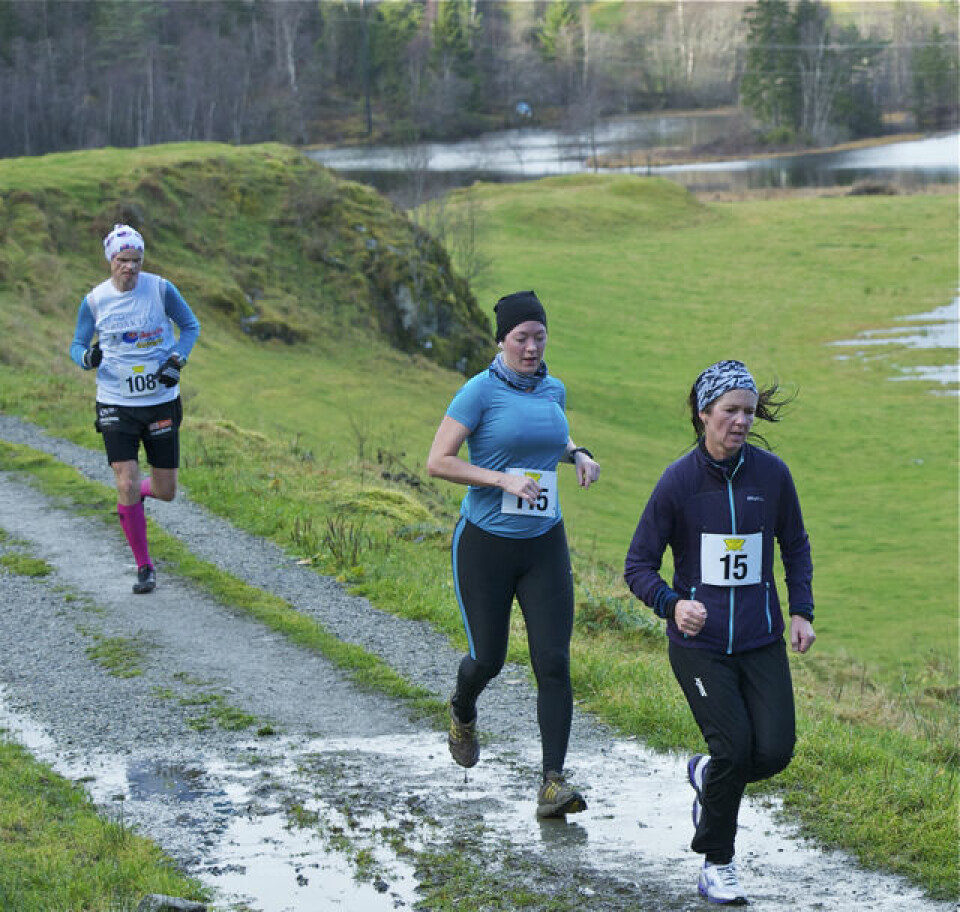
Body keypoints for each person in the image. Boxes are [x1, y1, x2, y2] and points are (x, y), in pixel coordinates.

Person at [623, 359, 816, 905]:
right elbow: (638, 565)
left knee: (773, 751)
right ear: (704, 413)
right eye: (730, 411)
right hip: (700, 648)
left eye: (748, 412)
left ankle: (710, 777)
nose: (741, 421)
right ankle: (717, 863)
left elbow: (795, 544)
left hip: (760, 639)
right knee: (733, 747)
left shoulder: (772, 476)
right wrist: (672, 605)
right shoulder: (678, 482)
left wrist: (801, 610)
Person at [426, 290, 600, 818]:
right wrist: (499, 478)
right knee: (489, 658)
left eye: (539, 338)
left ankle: (553, 783)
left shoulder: (553, 388)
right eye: (521, 338)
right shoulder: (478, 392)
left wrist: (578, 454)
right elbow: (438, 461)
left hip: (544, 542)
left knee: (554, 662)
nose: (531, 348)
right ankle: (462, 709)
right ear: (501, 340)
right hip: (486, 544)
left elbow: (548, 437)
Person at [69, 224, 200, 595]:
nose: (130, 267)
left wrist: (177, 359)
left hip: (160, 401)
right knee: (124, 480)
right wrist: (87, 357)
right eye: (123, 260)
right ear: (111, 260)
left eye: (136, 260)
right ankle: (144, 567)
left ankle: (138, 494)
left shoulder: (161, 289)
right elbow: (77, 344)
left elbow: (190, 327)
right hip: (115, 402)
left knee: (166, 490)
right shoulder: (95, 300)